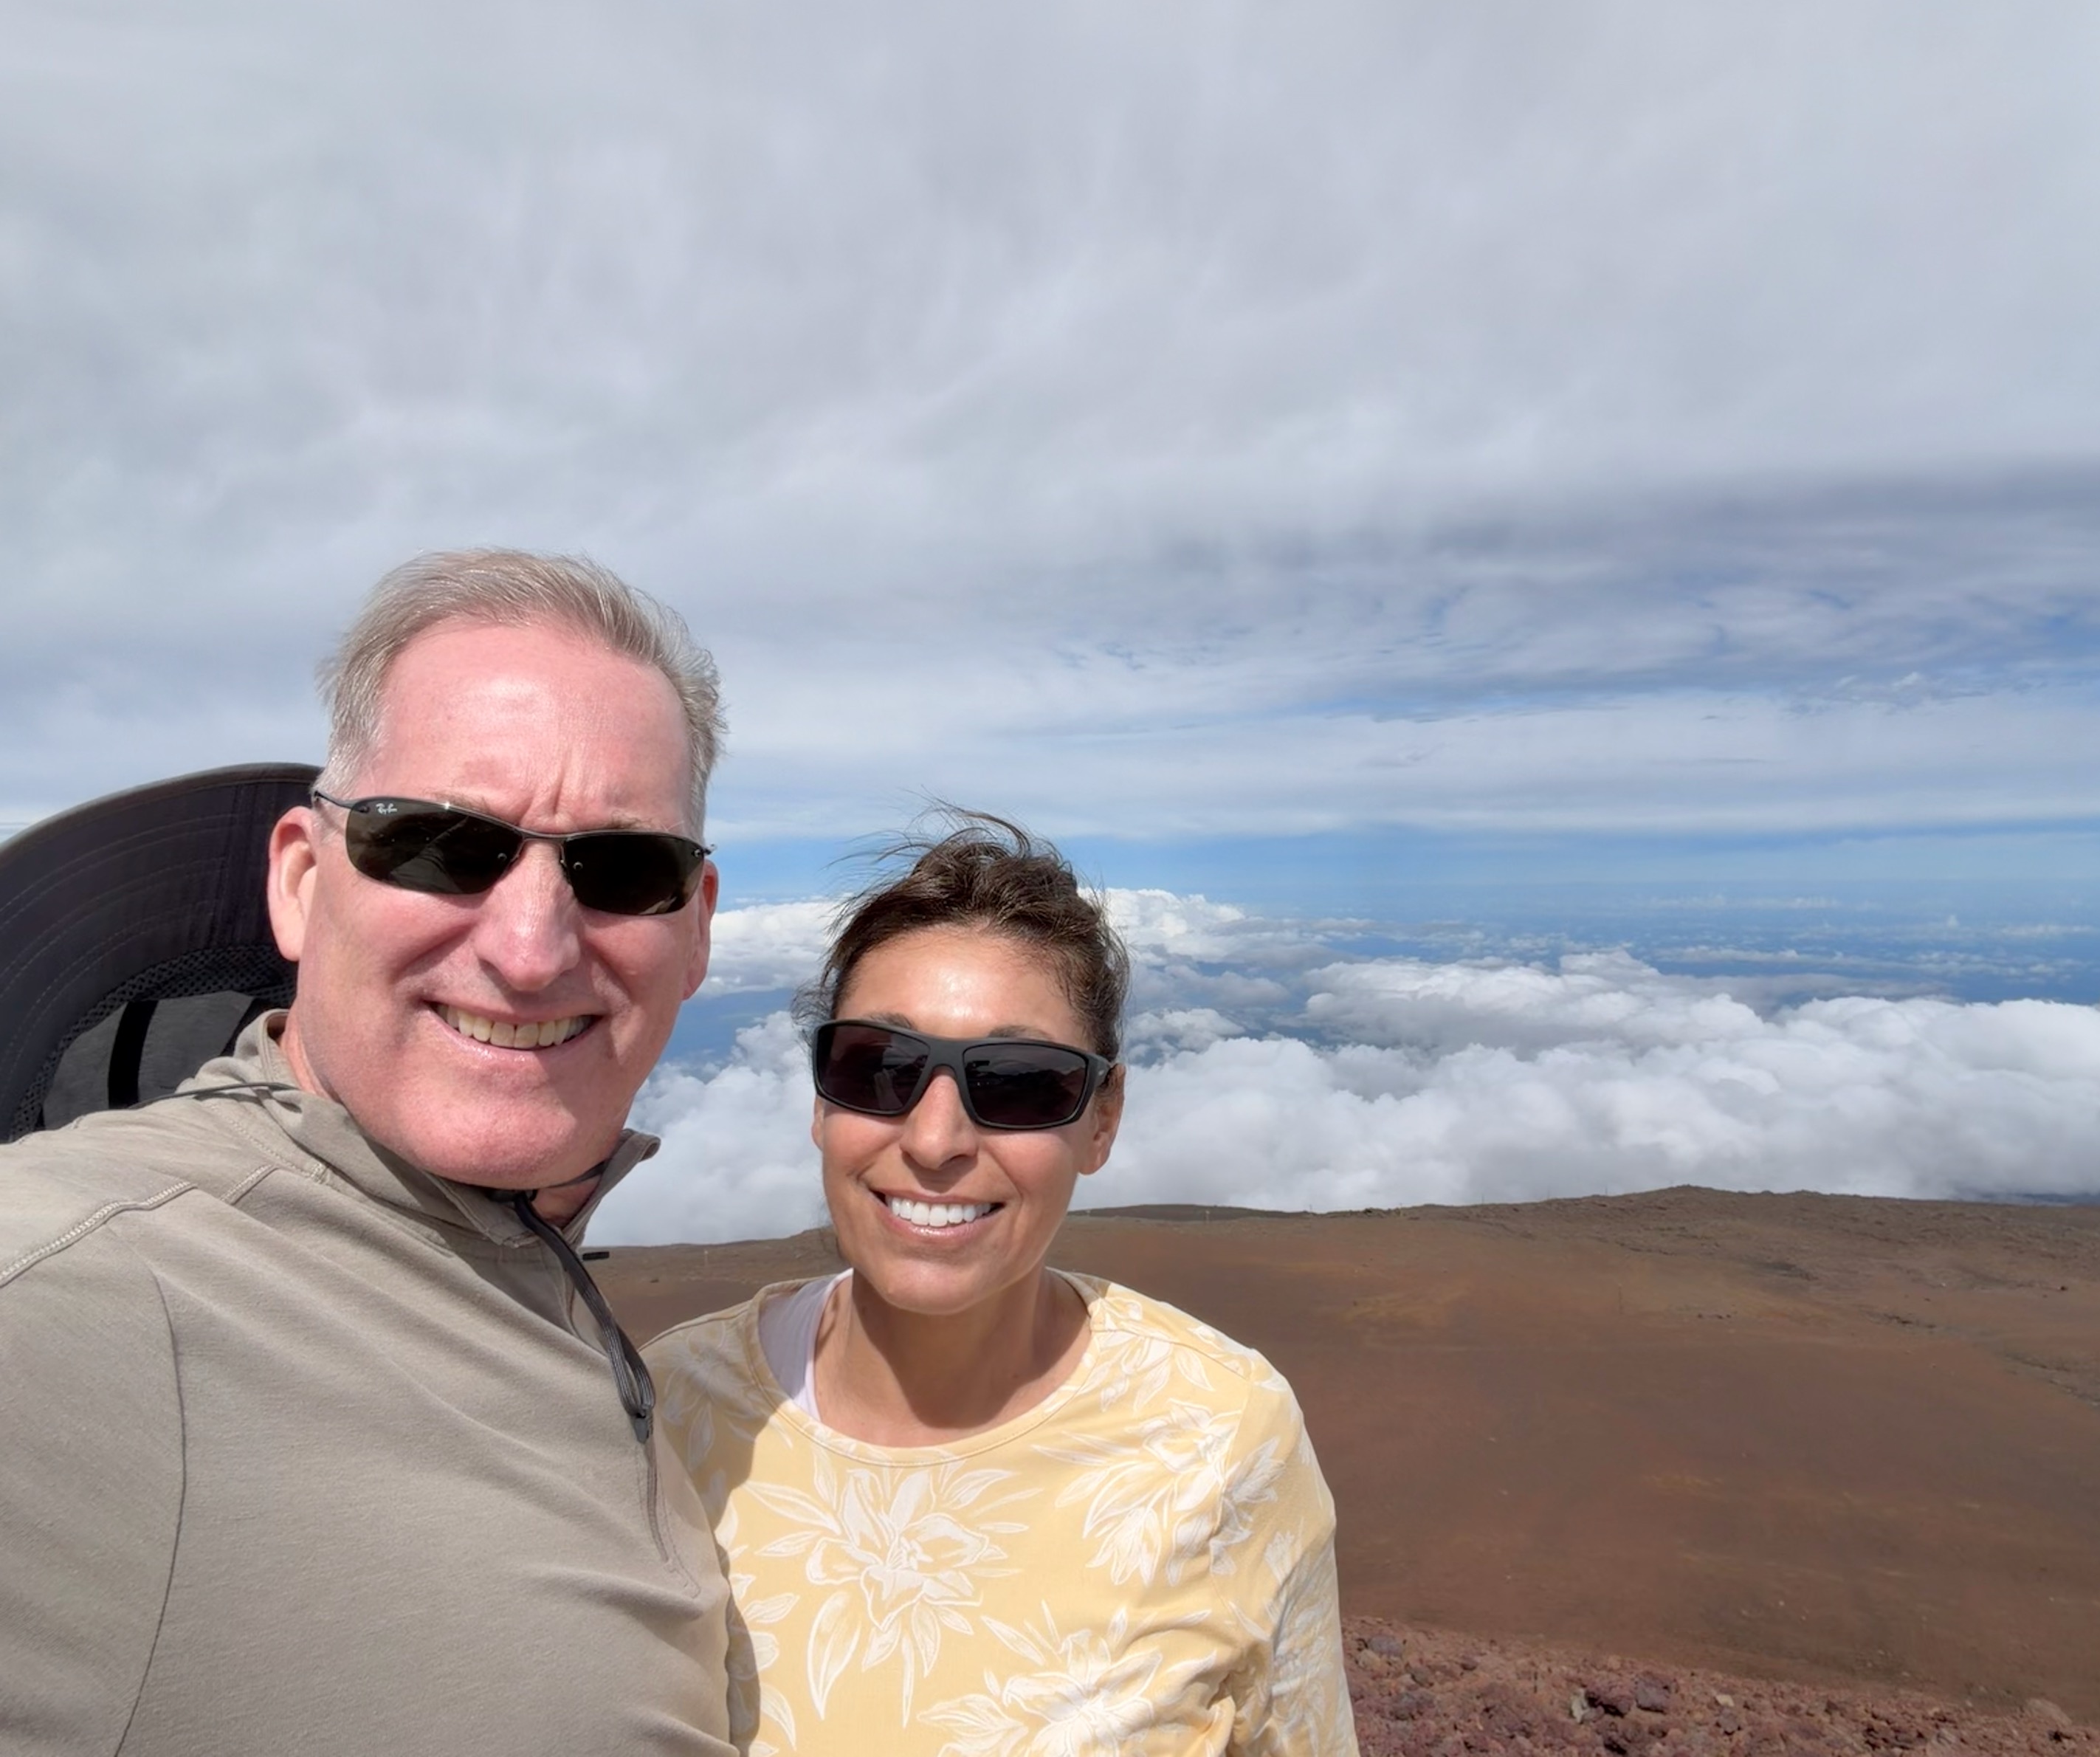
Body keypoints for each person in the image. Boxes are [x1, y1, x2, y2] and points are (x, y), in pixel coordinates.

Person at [0, 551, 737, 1754]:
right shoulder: (71, 1289)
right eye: (446, 845)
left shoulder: (513, 1259)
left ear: (696, 929)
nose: (534, 948)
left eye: (622, 869)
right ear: (301, 880)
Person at [646, 819, 1359, 1756]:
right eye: (879, 1067)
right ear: (823, 1099)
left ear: (1101, 1122)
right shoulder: (669, 1415)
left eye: (1020, 1083)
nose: (936, 1140)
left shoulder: (1221, 1444)